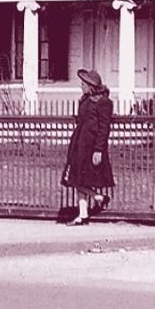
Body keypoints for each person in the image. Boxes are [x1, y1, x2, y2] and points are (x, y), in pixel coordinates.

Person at [59, 68, 115, 225]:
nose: (81, 86)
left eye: (83, 84)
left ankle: (97, 200)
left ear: (91, 85)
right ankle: (84, 212)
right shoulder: (84, 100)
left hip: (91, 147)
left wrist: (98, 149)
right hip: (79, 144)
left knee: (80, 180)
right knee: (76, 179)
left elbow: (104, 127)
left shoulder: (104, 103)